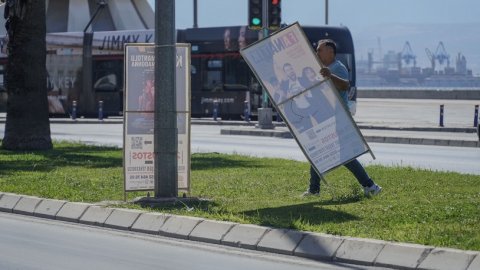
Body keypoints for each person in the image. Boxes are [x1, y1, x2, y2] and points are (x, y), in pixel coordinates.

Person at [303, 39, 382, 197]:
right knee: (318, 152)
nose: (317, 53)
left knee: (344, 156)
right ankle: (314, 189)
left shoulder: (338, 67)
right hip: (326, 117)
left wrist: (330, 75)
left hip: (338, 117)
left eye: (320, 50)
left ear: (330, 52)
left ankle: (370, 186)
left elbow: (345, 85)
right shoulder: (322, 68)